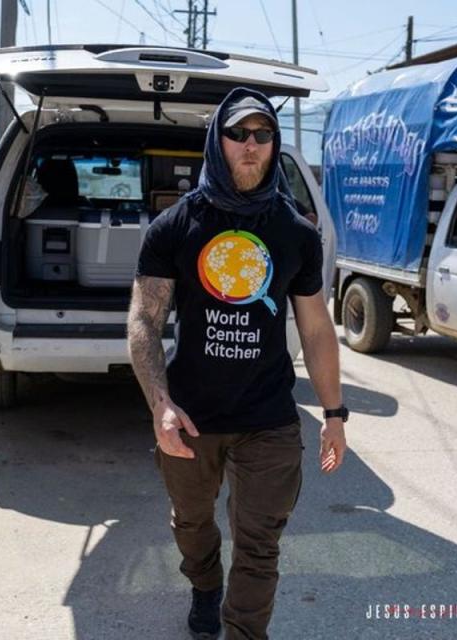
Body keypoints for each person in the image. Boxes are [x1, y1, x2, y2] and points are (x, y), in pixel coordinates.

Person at [128, 87, 348, 640]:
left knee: (259, 543)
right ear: (217, 142)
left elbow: (317, 327)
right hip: (193, 415)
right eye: (238, 134)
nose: (251, 145)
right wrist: (161, 407)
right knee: (192, 523)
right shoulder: (175, 227)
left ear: (274, 145)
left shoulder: (296, 232)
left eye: (263, 134)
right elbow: (144, 322)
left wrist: (335, 413)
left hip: (268, 417)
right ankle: (205, 586)